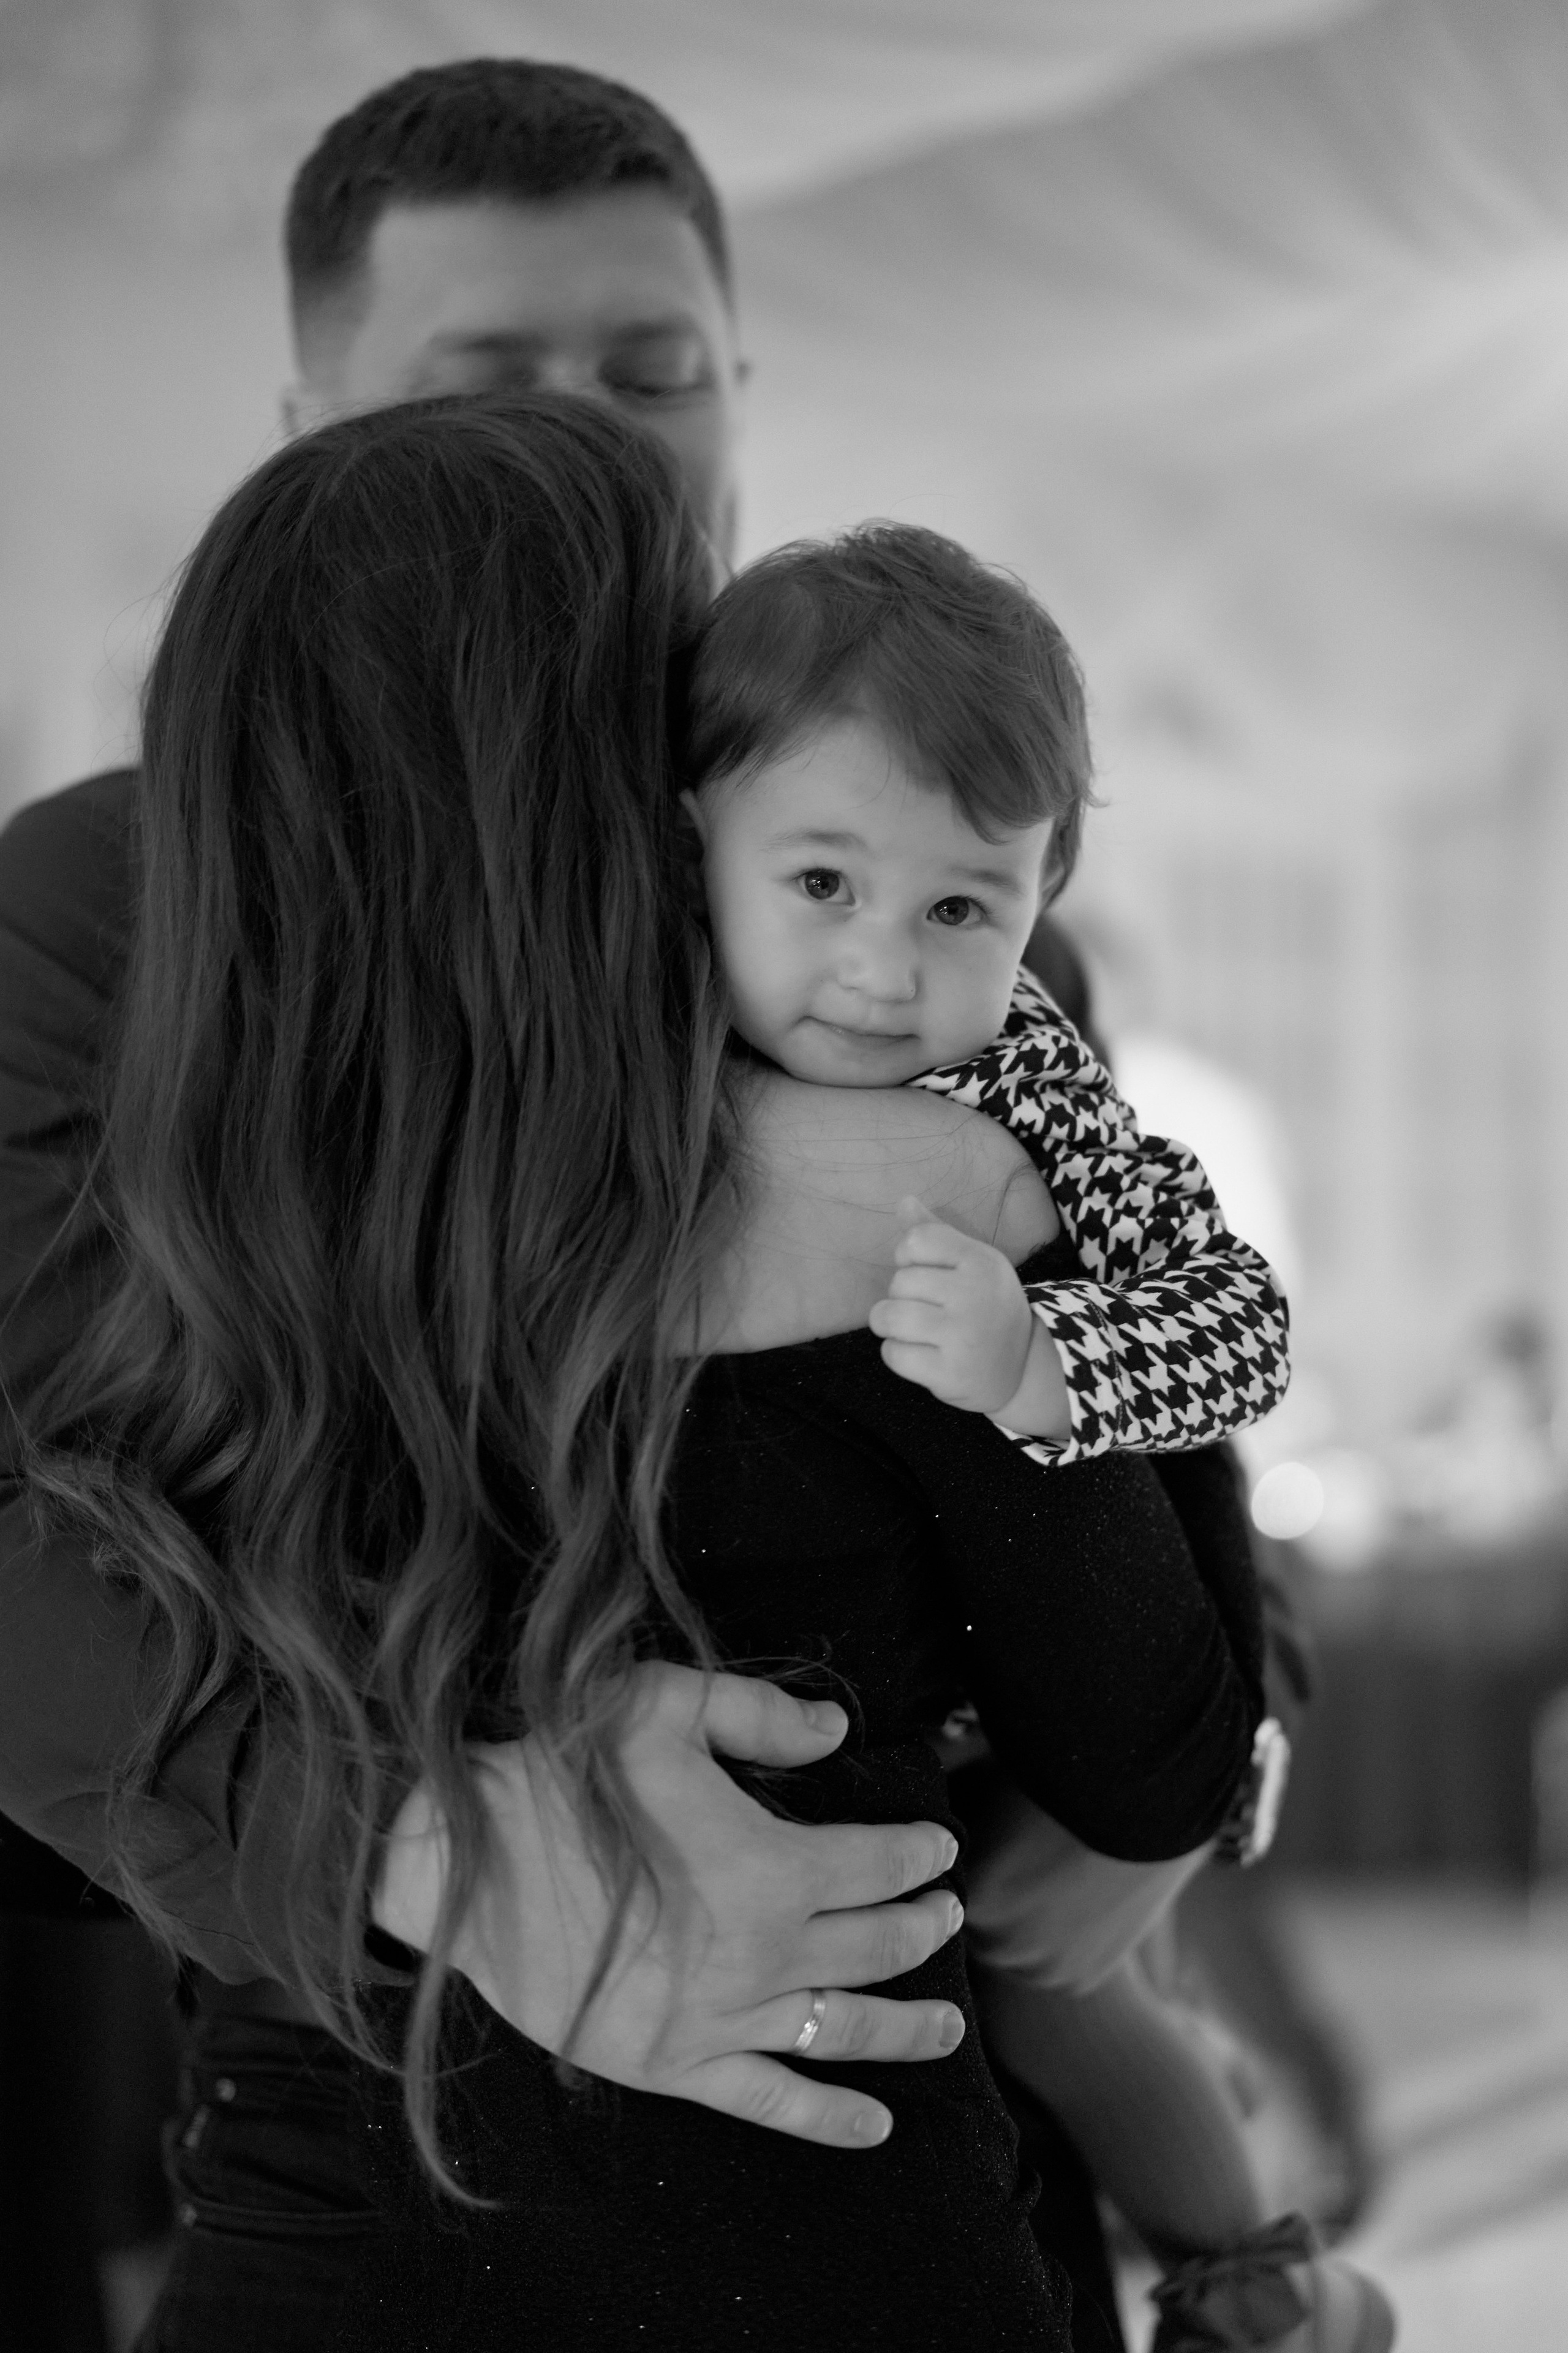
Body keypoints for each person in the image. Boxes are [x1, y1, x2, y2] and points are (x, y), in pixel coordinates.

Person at [23, 386, 1268, 2351]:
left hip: (312, 2199)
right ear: (643, 795)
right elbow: (1139, 1728)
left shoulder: (194, 1230)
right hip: (846, 2193)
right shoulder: (885, 1185)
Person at [676, 523, 1392, 2352]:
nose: (881, 967)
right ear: (699, 841)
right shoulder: (635, 1049)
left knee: (1045, 1974)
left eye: (960, 909)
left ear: (1044, 887)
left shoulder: (1027, 1077)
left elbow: (1243, 1324)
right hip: (799, 1735)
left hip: (1049, 1713)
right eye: (823, 881)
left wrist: (1044, 1353)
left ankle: (1258, 2280)